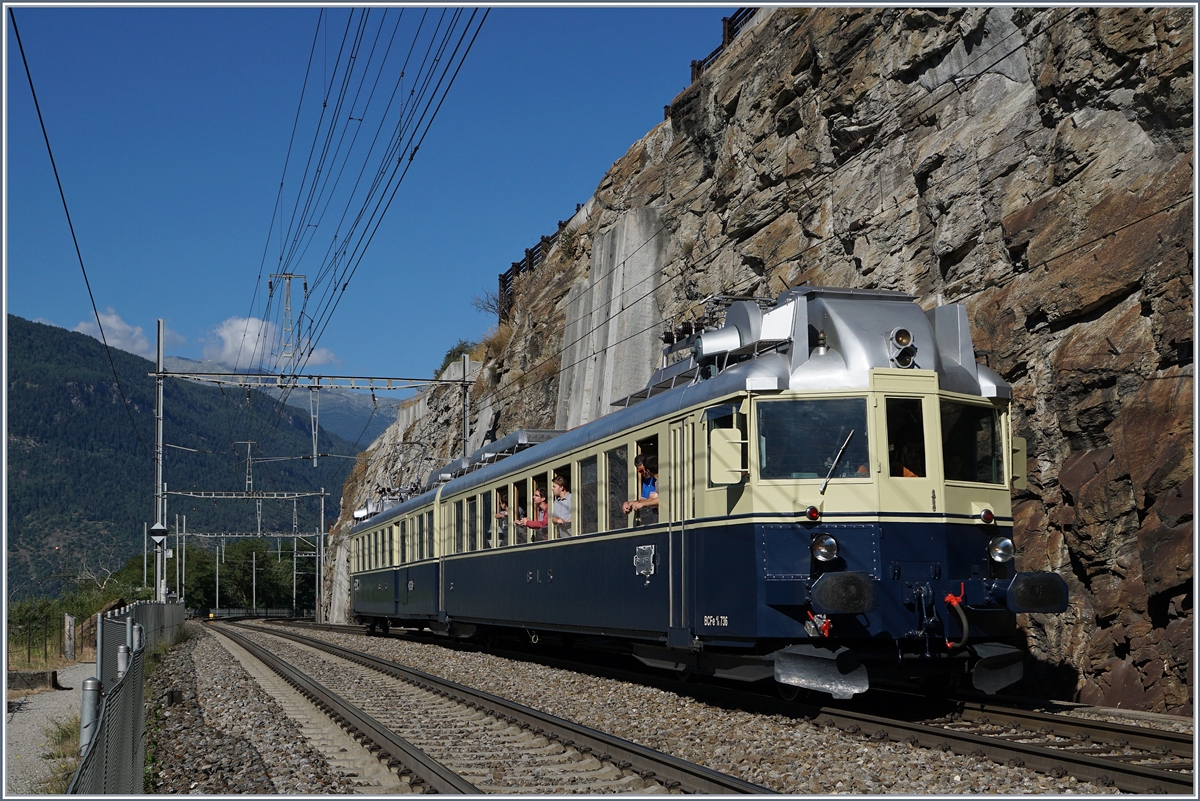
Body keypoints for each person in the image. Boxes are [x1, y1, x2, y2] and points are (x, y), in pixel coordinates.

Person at [623, 454, 659, 525]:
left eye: (642, 470)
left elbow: (652, 499)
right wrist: (631, 503)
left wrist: (638, 503)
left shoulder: (655, 479)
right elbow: (643, 499)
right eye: (640, 472)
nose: (644, 473)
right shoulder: (646, 481)